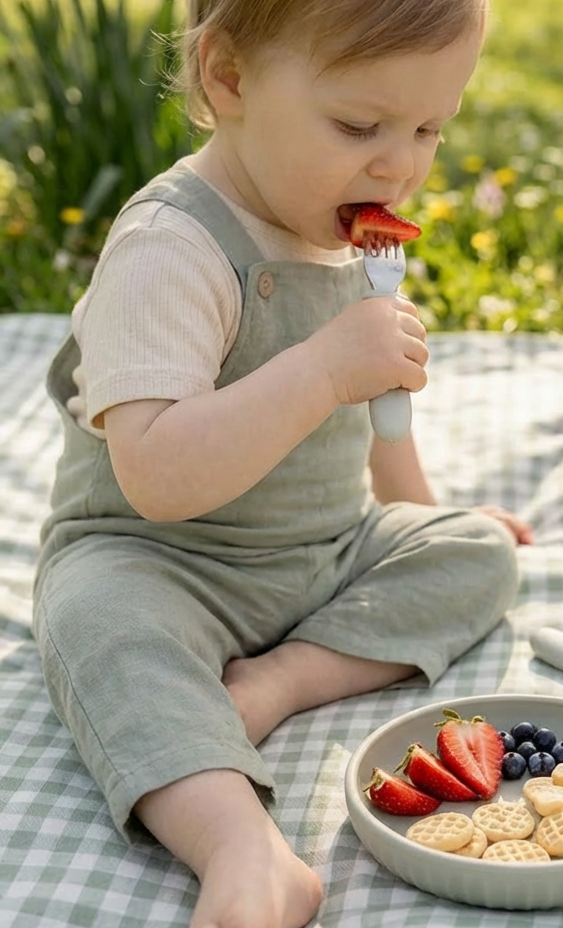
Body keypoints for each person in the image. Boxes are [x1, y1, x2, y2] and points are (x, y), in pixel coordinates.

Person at [32, 1, 531, 925]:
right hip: (160, 562)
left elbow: (382, 415)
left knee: (480, 551)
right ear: (229, 79)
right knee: (98, 626)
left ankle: (282, 680)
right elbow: (157, 476)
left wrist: (421, 516)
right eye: (358, 125)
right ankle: (241, 847)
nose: (400, 164)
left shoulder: (344, 226)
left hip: (323, 552)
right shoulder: (169, 249)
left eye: (430, 128)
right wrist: (322, 367)